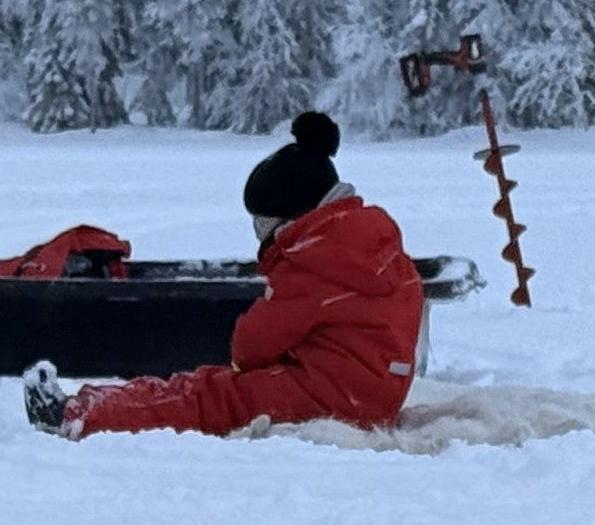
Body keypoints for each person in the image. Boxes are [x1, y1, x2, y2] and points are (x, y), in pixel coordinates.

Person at [23, 112, 423, 440]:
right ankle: (88, 406)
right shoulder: (371, 239)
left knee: (206, 394)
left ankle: (80, 414)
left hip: (332, 397)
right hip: (373, 392)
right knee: (212, 387)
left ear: (286, 220)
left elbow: (250, 348)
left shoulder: (315, 257)